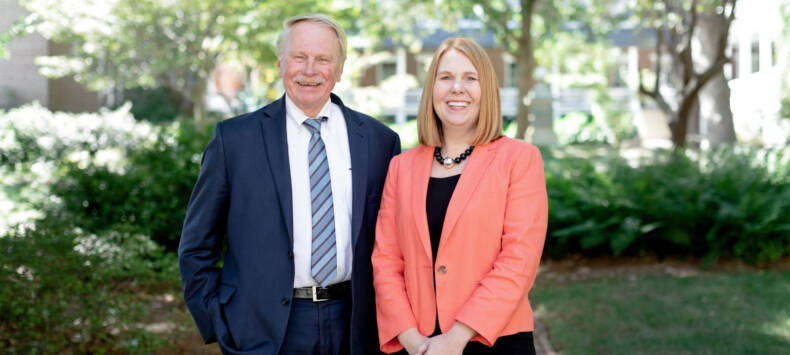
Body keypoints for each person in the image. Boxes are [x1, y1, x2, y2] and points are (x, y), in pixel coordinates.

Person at [178, 13, 400, 354]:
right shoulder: (235, 140)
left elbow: (394, 244)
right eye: (300, 57)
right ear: (281, 64)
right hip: (262, 329)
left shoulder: (379, 141)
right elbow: (196, 245)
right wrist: (220, 322)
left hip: (356, 325)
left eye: (323, 59)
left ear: (339, 70)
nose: (309, 70)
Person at [371, 37, 548, 355]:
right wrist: (411, 338)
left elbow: (518, 261)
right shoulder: (401, 167)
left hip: (494, 338)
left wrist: (456, 337)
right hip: (417, 344)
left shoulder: (519, 159)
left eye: (470, 78)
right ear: (432, 89)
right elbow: (386, 261)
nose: (457, 88)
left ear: (487, 90)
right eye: (446, 78)